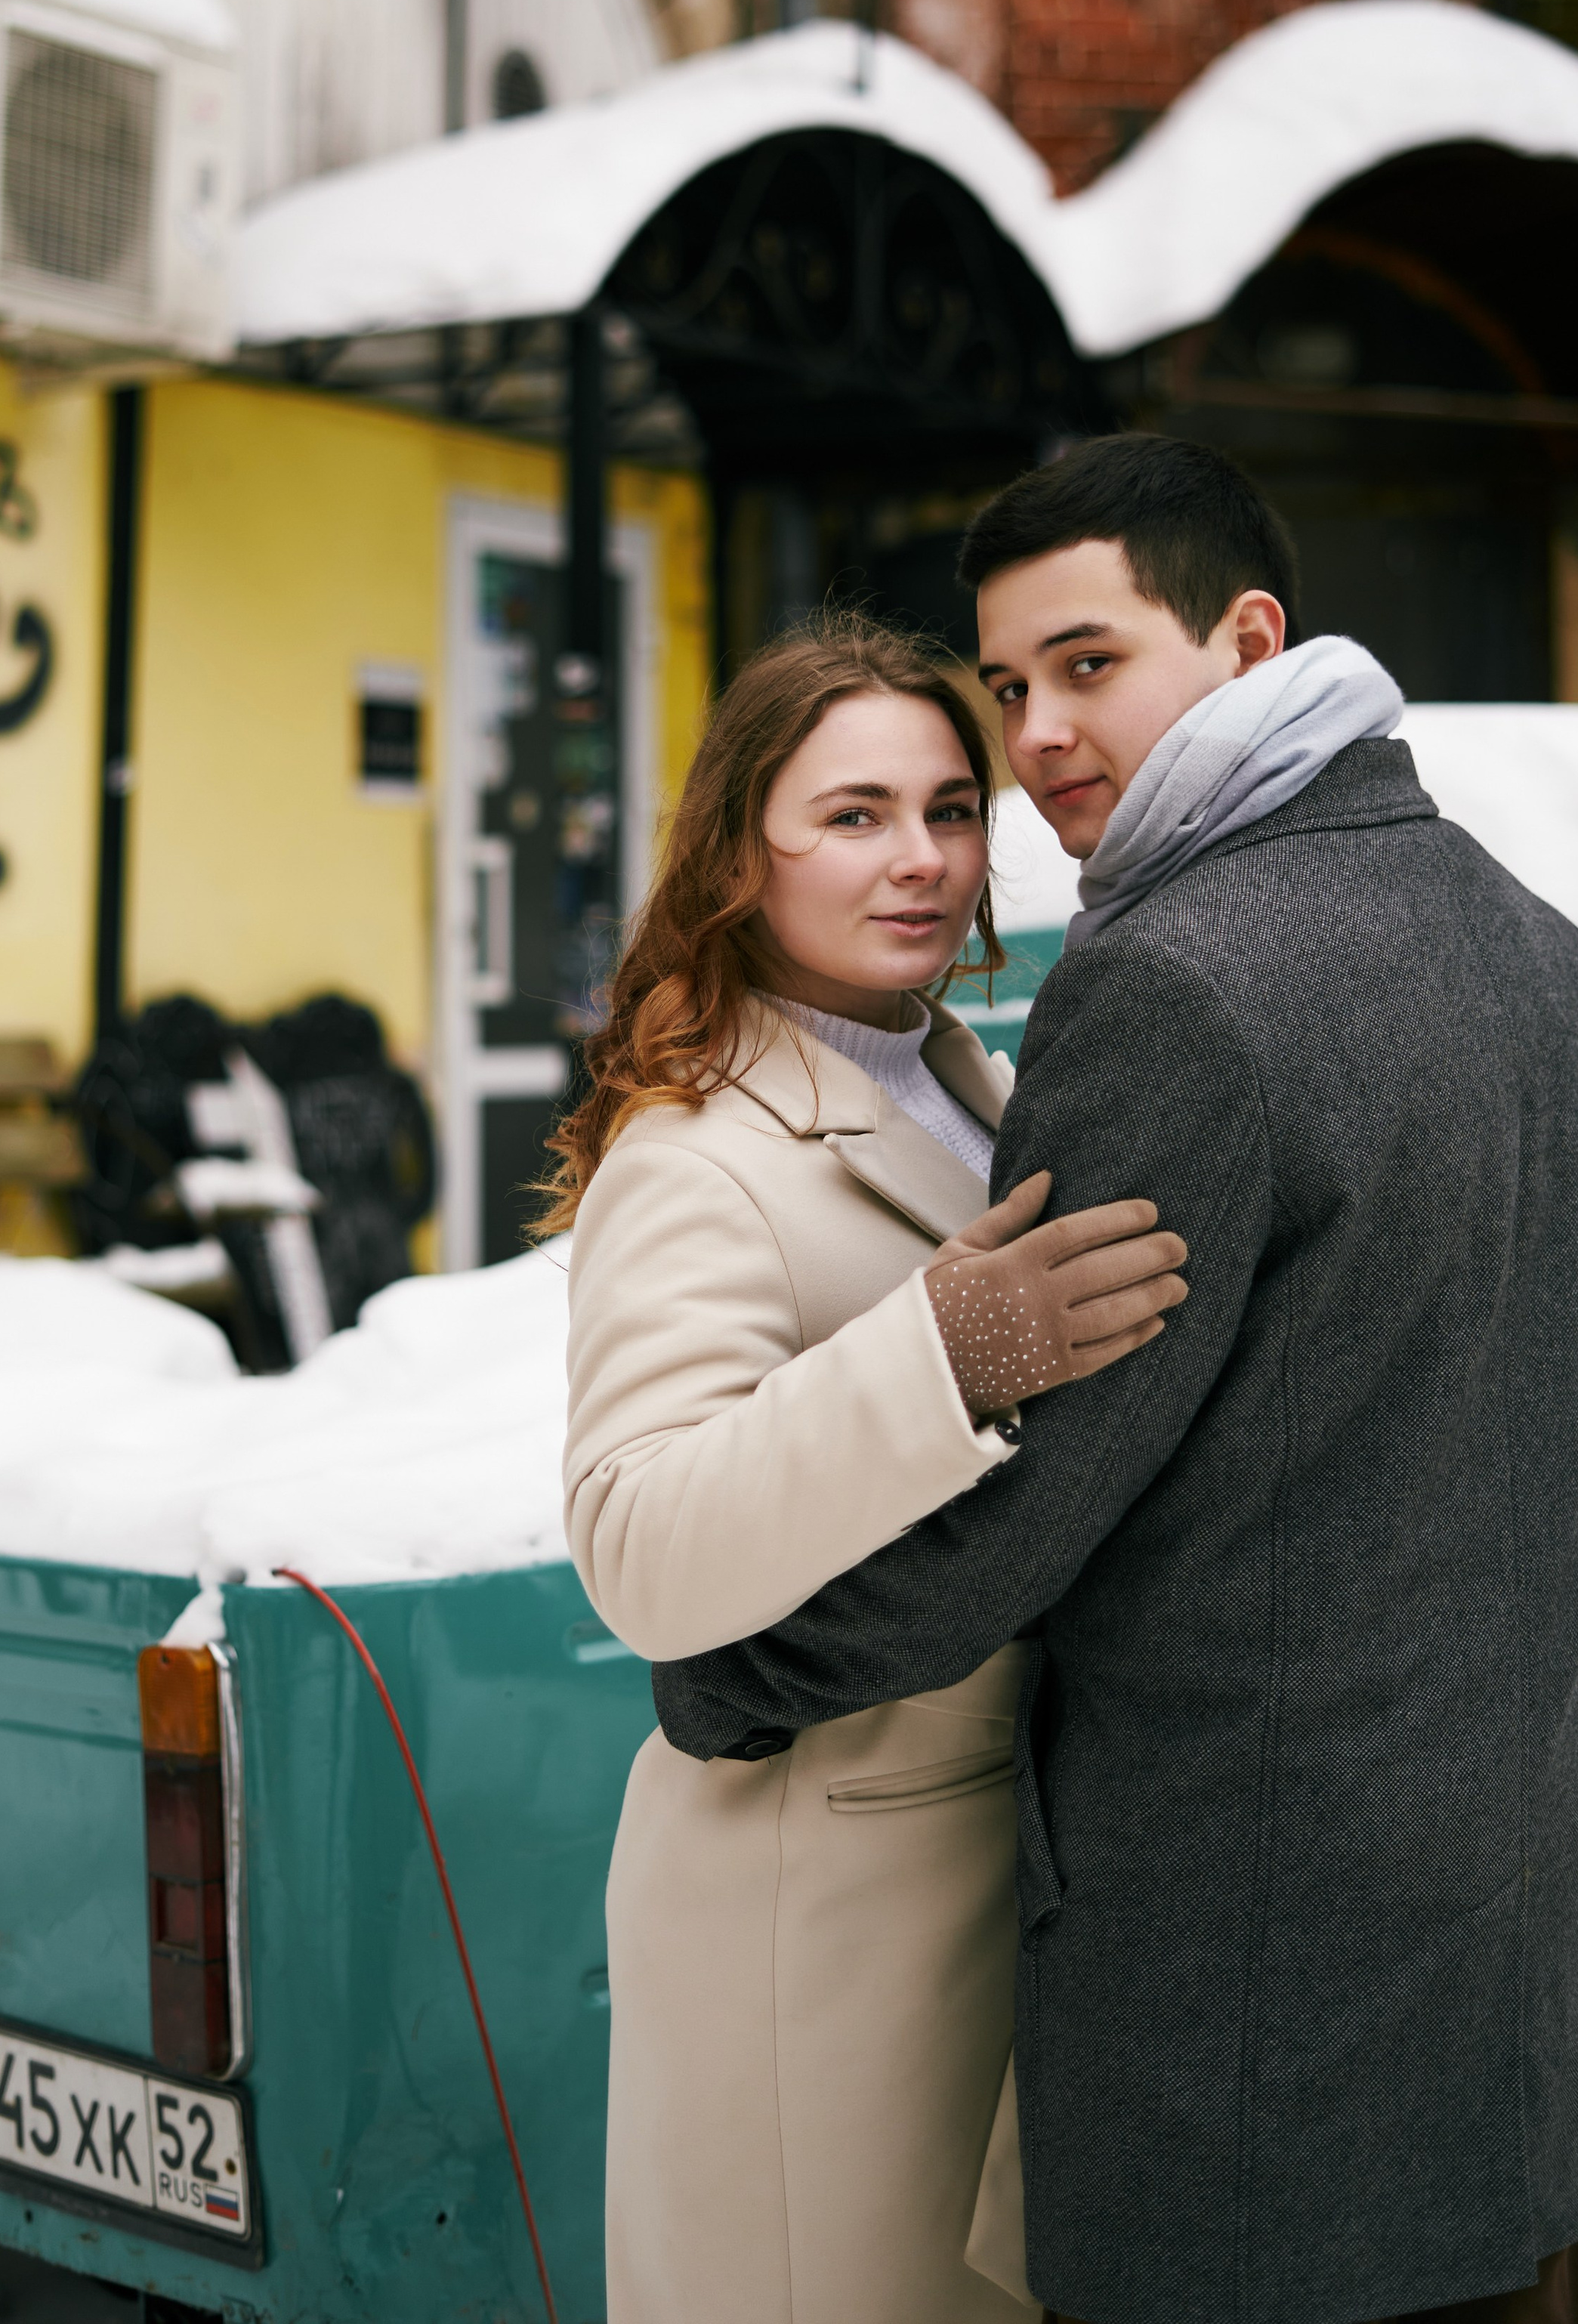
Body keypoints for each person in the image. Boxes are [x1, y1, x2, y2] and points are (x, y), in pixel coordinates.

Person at [655, 436, 1578, 2324]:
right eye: (1005, 686)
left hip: (1251, 2017)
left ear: (1246, 639)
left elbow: (1035, 1486)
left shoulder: (1173, 984)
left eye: (1087, 665)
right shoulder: (1545, 952)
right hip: (1507, 1993)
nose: (1036, 738)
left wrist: (737, 1675)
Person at [551, 613, 1190, 2324]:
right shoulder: (695, 1155)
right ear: (736, 851)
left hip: (965, 1873)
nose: (916, 860)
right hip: (813, 1909)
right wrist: (946, 1353)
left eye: (945, 808)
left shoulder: (957, 1080)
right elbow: (638, 1547)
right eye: (849, 817)